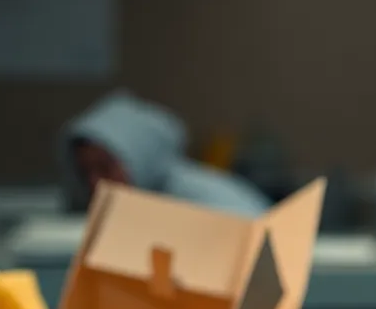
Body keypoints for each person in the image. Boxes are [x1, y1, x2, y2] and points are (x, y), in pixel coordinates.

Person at [61, 90, 271, 217]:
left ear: (139, 158)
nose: (94, 182)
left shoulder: (207, 201)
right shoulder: (144, 200)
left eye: (105, 167)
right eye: (84, 172)